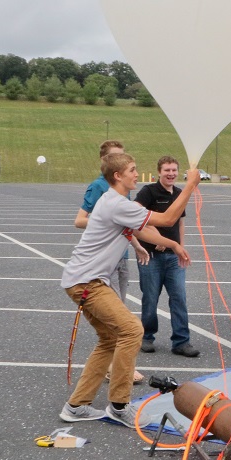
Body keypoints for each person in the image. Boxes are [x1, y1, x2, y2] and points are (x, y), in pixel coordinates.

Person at [59, 153, 200, 428]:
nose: (137, 174)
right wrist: (191, 185)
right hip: (87, 282)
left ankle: (76, 406)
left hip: (85, 280)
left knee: (110, 340)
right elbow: (169, 218)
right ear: (118, 176)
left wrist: (173, 246)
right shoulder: (115, 203)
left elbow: (144, 231)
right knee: (132, 331)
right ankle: (120, 406)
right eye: (133, 171)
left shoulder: (119, 203)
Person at [74, 140, 149, 384]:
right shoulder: (99, 187)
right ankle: (119, 372)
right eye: (117, 157)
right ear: (107, 164)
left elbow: (126, 224)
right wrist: (104, 221)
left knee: (121, 314)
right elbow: (80, 220)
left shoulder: (124, 189)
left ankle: (114, 367)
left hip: (121, 256)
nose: (125, 162)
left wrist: (137, 246)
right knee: (123, 323)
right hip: (102, 263)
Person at [135, 156, 199, 357]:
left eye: (173, 170)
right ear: (159, 172)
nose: (170, 174)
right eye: (166, 170)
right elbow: (138, 215)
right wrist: (158, 238)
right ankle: (146, 337)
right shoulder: (148, 192)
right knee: (151, 298)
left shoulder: (179, 193)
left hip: (173, 257)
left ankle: (181, 341)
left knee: (179, 297)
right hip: (150, 256)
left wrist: (181, 247)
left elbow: (180, 222)